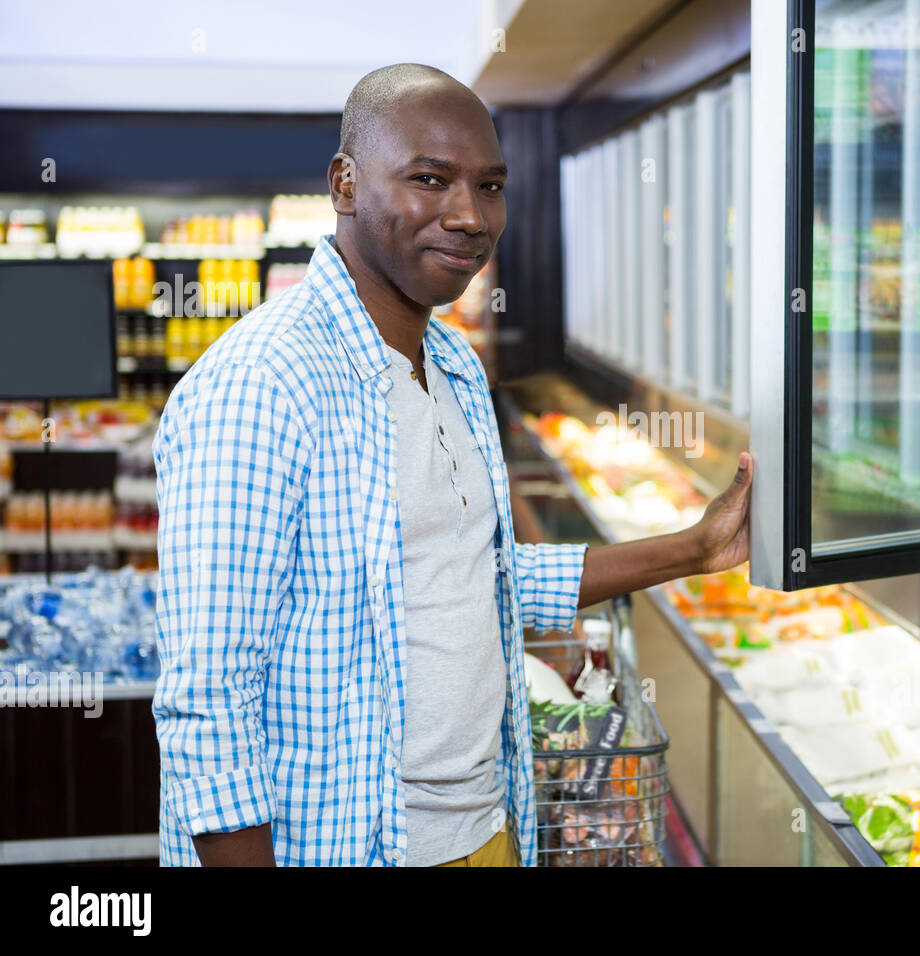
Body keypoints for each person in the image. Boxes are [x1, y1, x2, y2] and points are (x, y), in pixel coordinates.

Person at [151, 63, 753, 867]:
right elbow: (209, 703)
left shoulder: (456, 366)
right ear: (345, 183)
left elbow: (481, 577)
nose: (469, 216)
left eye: (491, 186)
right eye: (430, 180)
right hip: (349, 847)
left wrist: (695, 548)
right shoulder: (264, 383)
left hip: (486, 830)